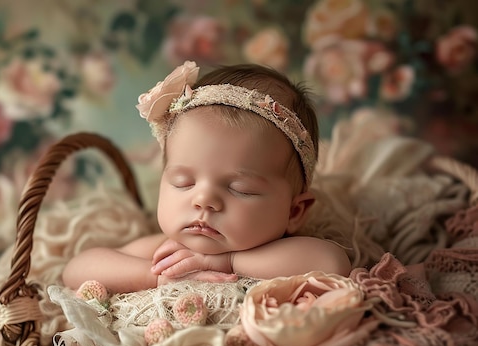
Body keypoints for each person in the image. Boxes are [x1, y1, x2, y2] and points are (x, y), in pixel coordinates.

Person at [62, 61, 351, 293]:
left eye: (241, 189)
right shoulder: (168, 253)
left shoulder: (283, 254)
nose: (204, 200)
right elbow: (77, 269)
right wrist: (155, 277)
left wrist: (227, 262)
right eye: (183, 183)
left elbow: (332, 263)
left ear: (294, 211)